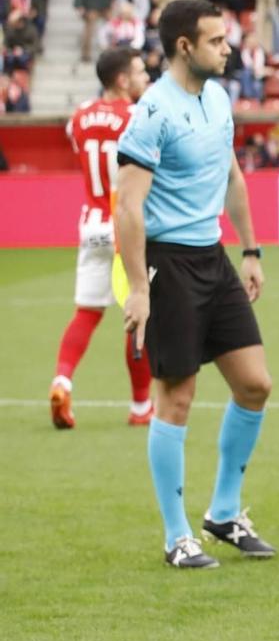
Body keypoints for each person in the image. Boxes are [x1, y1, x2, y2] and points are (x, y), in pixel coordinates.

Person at [113, 0, 276, 569]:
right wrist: (138, 287)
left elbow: (230, 174)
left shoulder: (218, 98)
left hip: (212, 257)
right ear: (185, 46)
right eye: (216, 40)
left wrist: (250, 249)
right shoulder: (153, 111)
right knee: (176, 398)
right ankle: (176, 535)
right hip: (167, 263)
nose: (228, 48)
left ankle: (224, 512)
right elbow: (127, 207)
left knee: (254, 384)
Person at [51, 47, 154, 430]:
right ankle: (141, 407)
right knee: (138, 316)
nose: (146, 78)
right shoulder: (137, 117)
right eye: (141, 72)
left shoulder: (78, 116)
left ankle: (62, 380)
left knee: (87, 312)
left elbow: (77, 142)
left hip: (90, 223)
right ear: (122, 80)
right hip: (122, 224)